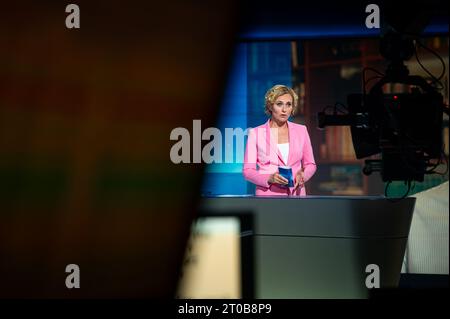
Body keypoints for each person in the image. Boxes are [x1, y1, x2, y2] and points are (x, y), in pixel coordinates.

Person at [243, 84, 316, 196]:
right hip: (268, 196)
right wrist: (269, 178)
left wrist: (303, 176)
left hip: (297, 194)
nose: (284, 110)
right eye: (279, 104)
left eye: (288, 105)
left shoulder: (301, 130)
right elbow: (248, 171)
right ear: (270, 106)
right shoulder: (256, 133)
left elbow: (310, 164)